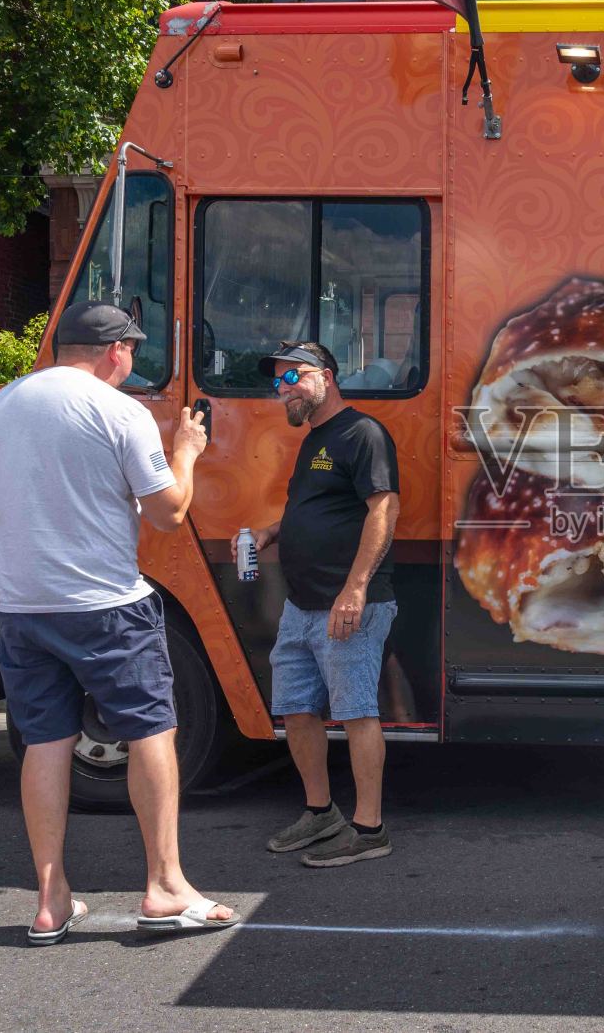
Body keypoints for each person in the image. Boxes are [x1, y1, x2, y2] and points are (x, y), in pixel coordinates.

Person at [0, 301, 235, 944]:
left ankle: (51, 897)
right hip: (106, 605)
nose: (133, 364)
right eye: (132, 353)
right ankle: (166, 885)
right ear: (114, 351)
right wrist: (188, 451)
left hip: (23, 605)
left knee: (45, 741)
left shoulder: (2, 406)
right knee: (151, 730)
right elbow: (168, 513)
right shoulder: (121, 412)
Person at [235, 340, 401, 868]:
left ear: (325, 377)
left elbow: (384, 507)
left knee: (355, 713)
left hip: (350, 604)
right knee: (296, 710)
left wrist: (354, 589)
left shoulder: (363, 433)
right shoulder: (314, 442)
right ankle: (320, 811)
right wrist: (272, 531)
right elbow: (316, 510)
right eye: (277, 381)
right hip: (301, 605)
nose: (281, 389)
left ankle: (370, 828)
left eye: (292, 378)